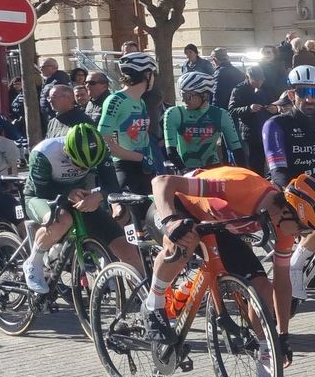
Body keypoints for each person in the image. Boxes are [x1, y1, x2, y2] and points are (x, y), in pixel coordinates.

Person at [144, 166, 315, 377]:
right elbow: (162, 181)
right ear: (289, 212)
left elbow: (282, 282)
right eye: (303, 230)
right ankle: (153, 304)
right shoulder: (240, 186)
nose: (301, 236)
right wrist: (170, 221)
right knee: (186, 240)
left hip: (217, 224)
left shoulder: (282, 221)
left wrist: (282, 336)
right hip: (175, 205)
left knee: (262, 290)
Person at [20, 123, 144, 292]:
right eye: (77, 163)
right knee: (63, 219)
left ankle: (148, 301)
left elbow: (112, 185)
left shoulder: (101, 149)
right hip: (38, 196)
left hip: (79, 196)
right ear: (66, 150)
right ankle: (33, 262)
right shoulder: (44, 152)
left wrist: (98, 196)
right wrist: (67, 192)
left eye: (87, 167)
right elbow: (42, 190)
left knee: (125, 247)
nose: (82, 169)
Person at [263, 65, 315, 297]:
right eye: (303, 92)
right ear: (291, 95)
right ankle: (295, 267)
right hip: (289, 194)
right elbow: (278, 171)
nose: (310, 98)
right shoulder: (276, 124)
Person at [99, 51, 160, 197]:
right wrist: (139, 158)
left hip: (146, 168)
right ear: (146, 74)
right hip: (124, 168)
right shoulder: (116, 100)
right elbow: (103, 139)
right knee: (125, 216)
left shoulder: (141, 102)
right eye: (153, 74)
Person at [162, 71, 243, 171]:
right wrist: (184, 171)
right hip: (185, 169)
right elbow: (171, 151)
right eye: (182, 95)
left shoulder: (221, 115)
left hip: (213, 169)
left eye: (188, 96)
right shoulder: (174, 113)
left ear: (204, 95)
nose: (183, 100)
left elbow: (236, 150)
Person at [229, 67, 279, 174]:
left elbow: (279, 103)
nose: (258, 84)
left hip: (269, 128)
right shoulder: (239, 90)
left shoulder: (268, 88)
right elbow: (232, 110)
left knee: (274, 160)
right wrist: (248, 109)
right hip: (251, 131)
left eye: (261, 81)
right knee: (256, 162)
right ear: (247, 77)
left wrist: (276, 109)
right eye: (255, 81)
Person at [211, 48, 244, 112]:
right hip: (236, 108)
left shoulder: (219, 73)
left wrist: (214, 110)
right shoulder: (237, 71)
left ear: (214, 60)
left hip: (224, 109)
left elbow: (217, 95)